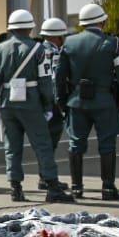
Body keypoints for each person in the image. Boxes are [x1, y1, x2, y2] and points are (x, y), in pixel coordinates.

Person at [0, 9, 74, 203]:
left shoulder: (0, 49)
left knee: (12, 146)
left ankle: (15, 188)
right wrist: (47, 106)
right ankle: (52, 187)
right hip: (31, 102)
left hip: (7, 102)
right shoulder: (38, 49)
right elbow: (45, 81)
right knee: (42, 145)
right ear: (30, 27)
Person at [55, 4, 119, 200]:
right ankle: (107, 187)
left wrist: (62, 102)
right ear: (101, 21)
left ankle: (77, 187)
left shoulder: (69, 43)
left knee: (76, 143)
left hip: (77, 100)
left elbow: (59, 76)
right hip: (105, 101)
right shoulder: (113, 43)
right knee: (107, 144)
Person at [39, 18, 69, 177]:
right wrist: (60, 103)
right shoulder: (56, 53)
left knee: (44, 140)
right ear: (57, 37)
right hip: (52, 102)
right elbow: (55, 79)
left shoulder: (36, 50)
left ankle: (44, 176)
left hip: (38, 101)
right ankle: (47, 177)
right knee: (51, 140)